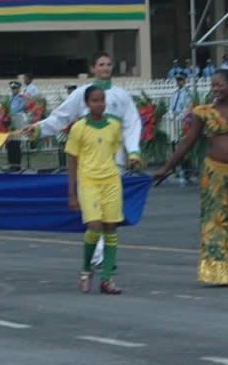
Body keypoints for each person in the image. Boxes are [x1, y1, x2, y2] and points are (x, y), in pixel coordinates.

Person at [23, 51, 141, 268]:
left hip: (114, 160)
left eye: (108, 64)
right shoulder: (81, 94)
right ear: (93, 69)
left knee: (110, 212)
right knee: (94, 211)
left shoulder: (122, 96)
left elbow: (132, 123)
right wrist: (39, 129)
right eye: (101, 64)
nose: (105, 68)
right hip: (89, 162)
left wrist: (133, 151)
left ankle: (104, 256)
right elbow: (61, 116)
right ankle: (100, 256)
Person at [154, 69, 228, 287]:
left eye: (220, 85)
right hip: (215, 173)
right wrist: (167, 168)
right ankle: (220, 272)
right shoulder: (204, 112)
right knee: (216, 223)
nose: (215, 89)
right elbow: (187, 143)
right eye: (213, 85)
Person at [66, 86, 125, 295]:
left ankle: (107, 279)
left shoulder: (114, 126)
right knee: (94, 226)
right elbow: (72, 161)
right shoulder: (79, 128)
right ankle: (85, 269)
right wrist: (72, 193)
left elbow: (115, 152)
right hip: (89, 182)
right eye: (95, 100)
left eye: (102, 100)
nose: (99, 104)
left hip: (111, 182)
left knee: (110, 228)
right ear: (87, 103)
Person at [6, 81, 27, 171]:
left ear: (18, 89)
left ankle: (17, 165)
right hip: (9, 121)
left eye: (15, 88)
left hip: (17, 121)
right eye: (12, 88)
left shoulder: (21, 98)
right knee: (10, 144)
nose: (13, 90)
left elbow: (17, 109)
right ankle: (11, 164)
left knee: (16, 144)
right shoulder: (10, 98)